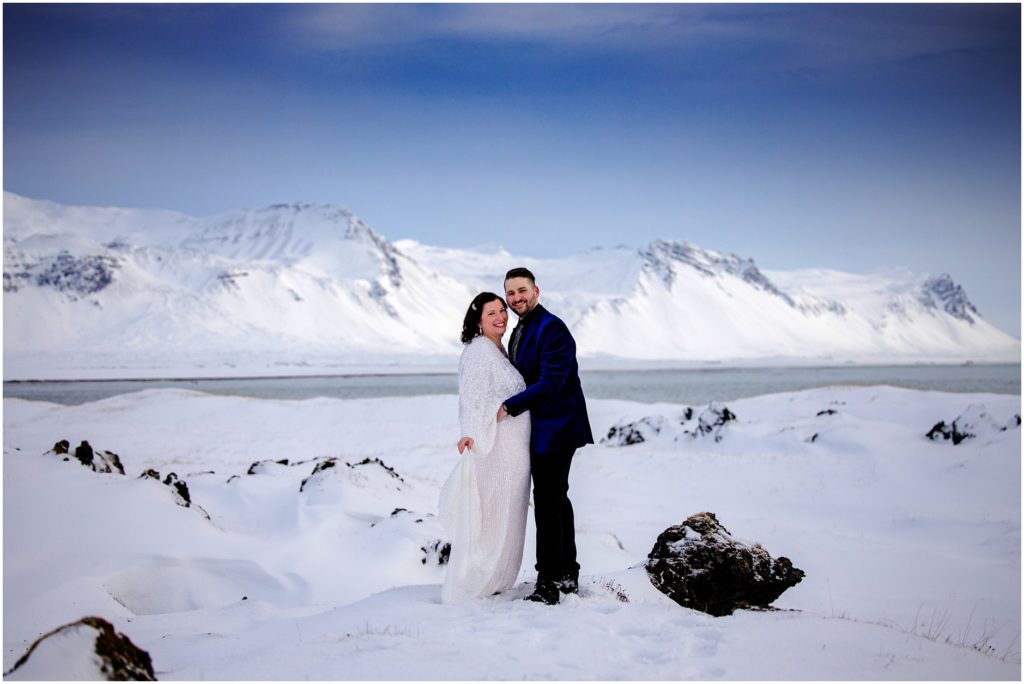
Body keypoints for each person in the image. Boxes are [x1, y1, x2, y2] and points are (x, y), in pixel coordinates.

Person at [499, 267, 593, 605]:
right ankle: (566, 574)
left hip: (558, 428)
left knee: (548, 503)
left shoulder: (551, 327)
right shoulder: (521, 329)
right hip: (542, 429)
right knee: (556, 500)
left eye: (522, 290)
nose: (516, 298)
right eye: (510, 293)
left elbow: (551, 384)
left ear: (536, 292)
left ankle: (549, 583)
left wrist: (509, 407)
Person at [438, 292, 532, 604]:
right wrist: (468, 432)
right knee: (495, 512)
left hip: (516, 448)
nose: (501, 317)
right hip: (500, 447)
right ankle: (482, 577)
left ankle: (499, 578)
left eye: (502, 310)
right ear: (478, 320)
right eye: (491, 313)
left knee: (511, 511)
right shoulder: (479, 350)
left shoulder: (499, 349)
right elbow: (471, 395)